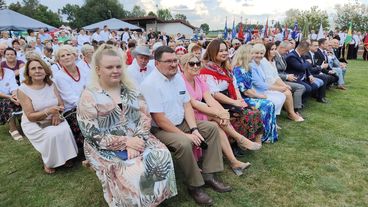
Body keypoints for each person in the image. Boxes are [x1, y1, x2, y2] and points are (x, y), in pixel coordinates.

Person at [77, 44, 177, 206]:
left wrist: (136, 140)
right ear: (98, 69)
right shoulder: (89, 96)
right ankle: (134, 201)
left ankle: (153, 198)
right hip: (104, 145)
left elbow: (145, 117)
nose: (115, 70)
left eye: (118, 66)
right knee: (132, 169)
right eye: (109, 67)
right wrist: (126, 142)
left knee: (161, 154)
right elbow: (92, 134)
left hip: (137, 135)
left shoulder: (131, 88)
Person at [141, 46, 231, 206]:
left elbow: (187, 105)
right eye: (168, 61)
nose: (174, 64)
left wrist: (194, 129)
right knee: (184, 143)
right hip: (160, 129)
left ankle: (209, 175)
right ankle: (194, 186)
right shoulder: (150, 84)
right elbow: (160, 119)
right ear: (157, 63)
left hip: (181, 122)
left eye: (175, 60)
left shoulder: (177, 78)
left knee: (211, 128)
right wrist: (186, 135)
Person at [181, 53, 252, 176]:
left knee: (218, 125)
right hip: (186, 115)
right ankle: (240, 139)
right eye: (191, 64)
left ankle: (234, 161)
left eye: (198, 63)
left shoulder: (198, 79)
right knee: (217, 117)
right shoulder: (181, 81)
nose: (196, 66)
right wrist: (221, 113)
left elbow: (210, 100)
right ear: (183, 66)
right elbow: (194, 104)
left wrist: (223, 113)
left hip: (199, 112)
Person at [17, 56, 78, 174]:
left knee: (64, 129)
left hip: (54, 117)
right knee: (52, 133)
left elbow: (61, 104)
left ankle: (65, 158)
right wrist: (48, 112)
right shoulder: (23, 89)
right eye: (33, 69)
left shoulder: (51, 84)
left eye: (40, 68)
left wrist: (56, 114)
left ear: (45, 70)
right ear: (28, 73)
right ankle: (49, 161)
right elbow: (30, 116)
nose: (37, 71)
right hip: (34, 122)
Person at [199, 39, 264, 145]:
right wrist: (234, 102)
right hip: (217, 102)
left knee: (255, 111)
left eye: (226, 50)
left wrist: (239, 99)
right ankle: (239, 142)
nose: (224, 53)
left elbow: (235, 86)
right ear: (212, 52)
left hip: (230, 98)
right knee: (247, 113)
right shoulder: (206, 70)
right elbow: (215, 94)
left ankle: (256, 141)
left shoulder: (226, 68)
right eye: (220, 51)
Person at [232, 44, 278, 143]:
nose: (253, 55)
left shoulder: (248, 68)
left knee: (269, 103)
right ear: (245, 54)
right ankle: (265, 136)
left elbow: (250, 87)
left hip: (248, 96)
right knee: (268, 104)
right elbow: (245, 91)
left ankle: (268, 135)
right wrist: (260, 96)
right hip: (242, 98)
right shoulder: (238, 70)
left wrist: (260, 95)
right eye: (251, 53)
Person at [53, 45, 89, 148]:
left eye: (68, 54)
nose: (66, 57)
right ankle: (90, 148)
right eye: (62, 56)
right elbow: (71, 99)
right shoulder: (59, 76)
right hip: (72, 110)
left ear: (74, 56)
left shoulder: (84, 70)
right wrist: (90, 106)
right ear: (59, 61)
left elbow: (91, 89)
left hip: (89, 103)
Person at [261, 43, 303, 121]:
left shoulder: (272, 61)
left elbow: (276, 76)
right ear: (266, 51)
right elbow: (269, 79)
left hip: (273, 83)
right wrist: (282, 87)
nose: (274, 51)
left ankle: (291, 113)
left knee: (287, 90)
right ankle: (291, 114)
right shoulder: (264, 61)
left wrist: (284, 85)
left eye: (275, 49)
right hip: (267, 86)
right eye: (271, 49)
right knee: (287, 92)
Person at [274, 41, 306, 112]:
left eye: (288, 50)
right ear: (281, 47)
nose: (287, 52)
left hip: (282, 79)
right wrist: (286, 76)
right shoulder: (274, 57)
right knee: (300, 87)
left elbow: (283, 70)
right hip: (277, 80)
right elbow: (273, 73)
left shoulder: (281, 56)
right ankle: (295, 109)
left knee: (299, 83)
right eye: (286, 50)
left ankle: (292, 106)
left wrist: (288, 75)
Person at [0, 65, 23, 140]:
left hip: (10, 95)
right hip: (2, 98)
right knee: (7, 102)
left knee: (21, 99)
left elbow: (13, 85)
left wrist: (14, 95)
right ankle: (13, 129)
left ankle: (23, 125)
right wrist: (9, 97)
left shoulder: (8, 72)